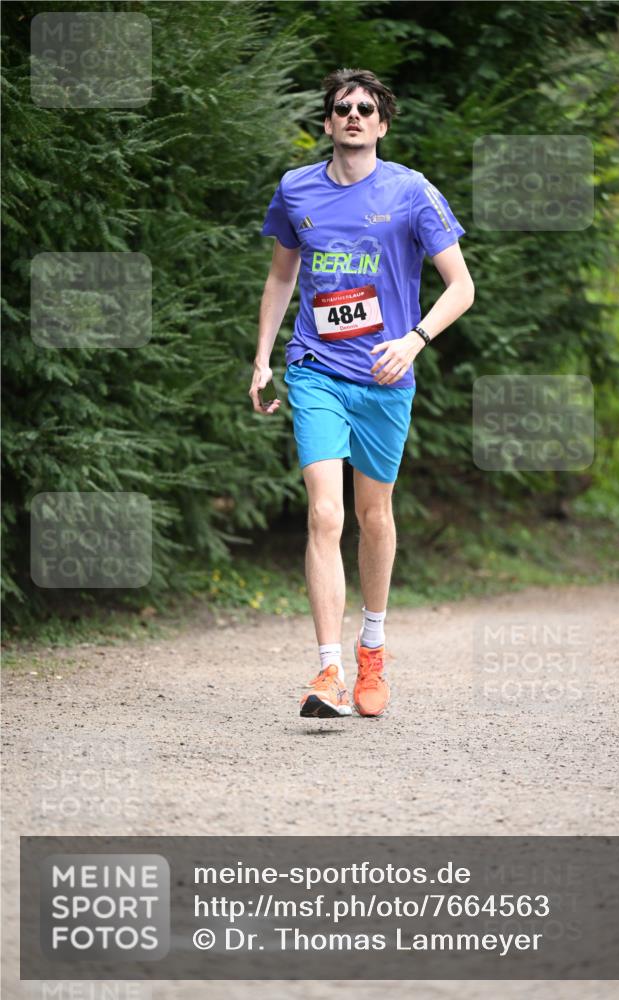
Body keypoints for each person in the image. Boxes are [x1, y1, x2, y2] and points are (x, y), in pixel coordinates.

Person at [249, 67, 474, 719]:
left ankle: (372, 647)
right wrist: (263, 358)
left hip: (383, 376)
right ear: (326, 123)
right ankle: (327, 670)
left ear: (380, 123)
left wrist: (413, 340)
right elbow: (280, 278)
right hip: (315, 368)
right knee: (325, 514)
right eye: (342, 107)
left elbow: (460, 286)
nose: (352, 114)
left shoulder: (411, 192)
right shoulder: (296, 190)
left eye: (365, 108)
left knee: (374, 517)